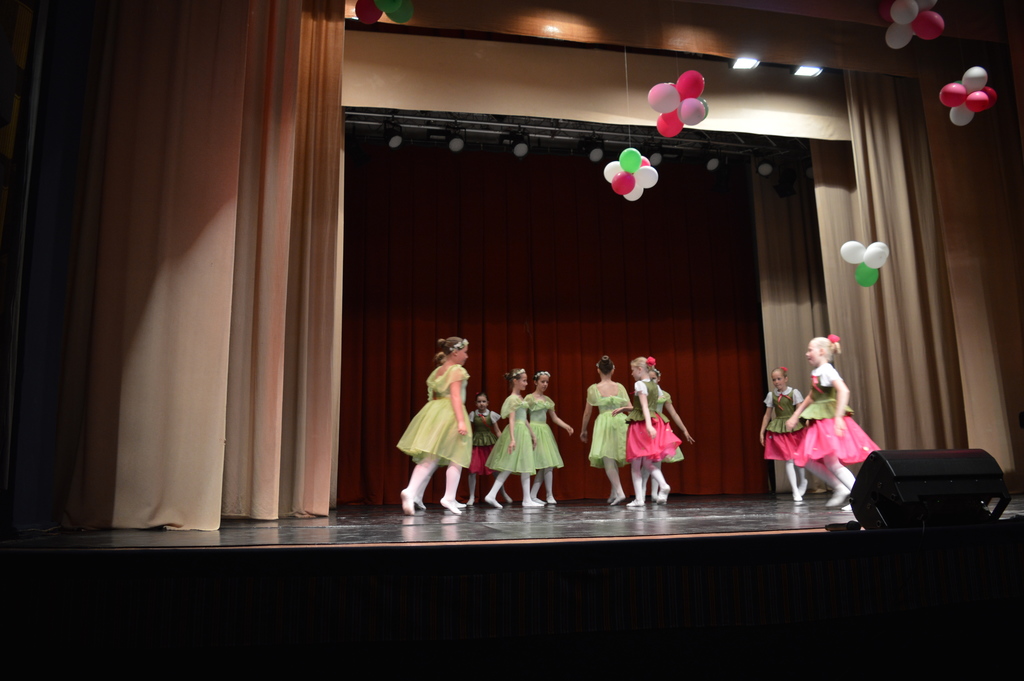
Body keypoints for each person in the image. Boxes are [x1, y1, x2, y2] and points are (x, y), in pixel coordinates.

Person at [785, 334, 879, 508]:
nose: (807, 353)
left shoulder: (828, 370)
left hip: (827, 420)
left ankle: (858, 497)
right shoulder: (817, 371)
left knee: (829, 462)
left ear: (821, 351)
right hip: (820, 420)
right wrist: (795, 414)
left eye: (810, 350)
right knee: (810, 459)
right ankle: (841, 488)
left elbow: (844, 390)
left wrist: (838, 417)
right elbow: (812, 396)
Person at [397, 337, 472, 515]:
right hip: (451, 412)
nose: (467, 356)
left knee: (431, 456)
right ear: (455, 353)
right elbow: (455, 396)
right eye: (465, 352)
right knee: (457, 455)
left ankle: (410, 490)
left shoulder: (438, 370)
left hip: (435, 411)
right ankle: (449, 497)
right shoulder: (457, 370)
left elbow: (434, 395)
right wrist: (461, 421)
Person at [613, 357, 681, 508]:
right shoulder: (655, 386)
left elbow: (644, 406)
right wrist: (626, 409)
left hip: (642, 424)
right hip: (654, 420)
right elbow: (649, 406)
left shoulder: (639, 384)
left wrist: (648, 426)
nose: (631, 373)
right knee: (648, 462)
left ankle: (639, 499)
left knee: (636, 464)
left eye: (632, 370)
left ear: (640, 369)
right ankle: (663, 485)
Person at [484, 369, 542, 508]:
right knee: (509, 465)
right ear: (515, 381)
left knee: (525, 465)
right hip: (517, 431)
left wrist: (532, 434)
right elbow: (512, 419)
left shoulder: (520, 398)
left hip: (523, 431)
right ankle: (492, 494)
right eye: (524, 380)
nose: (526, 383)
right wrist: (512, 439)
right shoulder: (512, 399)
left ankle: (526, 499)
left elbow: (524, 418)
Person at [579, 355, 630, 505]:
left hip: (604, 422)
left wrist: (583, 430)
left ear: (598, 370)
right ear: (613, 370)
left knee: (608, 458)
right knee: (613, 456)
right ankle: (614, 492)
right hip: (620, 422)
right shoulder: (620, 387)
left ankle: (620, 492)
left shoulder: (594, 389)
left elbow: (587, 412)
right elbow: (630, 407)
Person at [644, 366, 695, 503]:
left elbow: (673, 413)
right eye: (649, 379)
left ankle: (655, 493)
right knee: (645, 461)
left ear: (659, 379)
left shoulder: (665, 395)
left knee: (657, 461)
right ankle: (641, 494)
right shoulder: (643, 393)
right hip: (647, 425)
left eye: (654, 378)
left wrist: (684, 429)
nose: (651, 381)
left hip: (659, 427)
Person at [760, 366, 808, 501]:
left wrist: (805, 424)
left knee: (797, 458)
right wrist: (762, 431)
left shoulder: (794, 393)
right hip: (781, 428)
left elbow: (800, 411)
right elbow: (767, 415)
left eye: (779, 379)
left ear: (786, 379)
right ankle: (795, 490)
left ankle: (803, 481)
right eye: (774, 380)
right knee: (789, 459)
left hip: (794, 427)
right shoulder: (771, 395)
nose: (776, 382)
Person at [527, 371, 574, 504]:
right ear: (535, 382)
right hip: (534, 430)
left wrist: (566, 426)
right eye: (542, 381)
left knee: (547, 464)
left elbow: (554, 418)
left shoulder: (547, 400)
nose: (545, 384)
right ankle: (537, 496)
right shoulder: (529, 398)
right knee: (542, 464)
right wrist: (529, 432)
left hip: (545, 432)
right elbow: (522, 416)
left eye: (547, 382)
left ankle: (543, 495)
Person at [467, 392, 508, 507]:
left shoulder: (492, 414)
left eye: (484, 401)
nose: (481, 404)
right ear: (476, 403)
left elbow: (497, 430)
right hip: (477, 443)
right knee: (472, 470)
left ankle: (503, 492)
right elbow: (469, 430)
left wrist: (504, 442)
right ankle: (471, 496)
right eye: (479, 402)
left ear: (488, 403)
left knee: (495, 470)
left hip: (489, 443)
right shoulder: (473, 415)